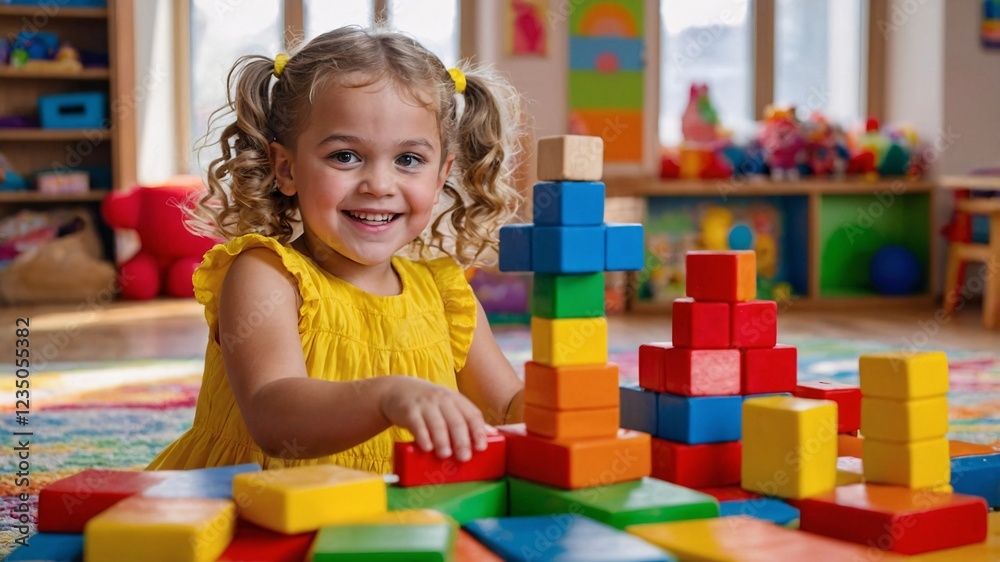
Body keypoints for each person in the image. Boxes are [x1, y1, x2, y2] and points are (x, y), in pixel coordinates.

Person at [148, 26, 526, 474]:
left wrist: (589, 404)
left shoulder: (447, 296)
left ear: (441, 175)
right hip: (253, 510)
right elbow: (273, 418)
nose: (379, 185)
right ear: (286, 169)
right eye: (345, 156)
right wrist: (387, 397)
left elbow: (507, 409)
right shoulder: (266, 275)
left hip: (390, 516)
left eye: (408, 160)